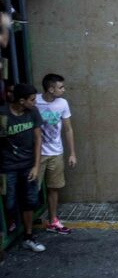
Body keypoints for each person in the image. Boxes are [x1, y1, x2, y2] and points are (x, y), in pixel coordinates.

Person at [1, 84, 45, 252]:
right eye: (32, 100)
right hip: (8, 166)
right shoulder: (4, 114)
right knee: (9, 202)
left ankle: (28, 235)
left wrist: (36, 166)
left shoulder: (32, 112)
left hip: (27, 164)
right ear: (21, 101)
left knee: (30, 201)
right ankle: (10, 228)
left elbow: (38, 139)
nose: (35, 102)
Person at [35, 74, 77, 235]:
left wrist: (72, 153)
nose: (64, 90)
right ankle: (28, 223)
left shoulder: (62, 103)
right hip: (38, 154)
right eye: (61, 87)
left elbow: (68, 129)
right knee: (33, 189)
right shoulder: (35, 101)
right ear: (51, 89)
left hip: (56, 152)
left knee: (54, 187)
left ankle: (53, 220)